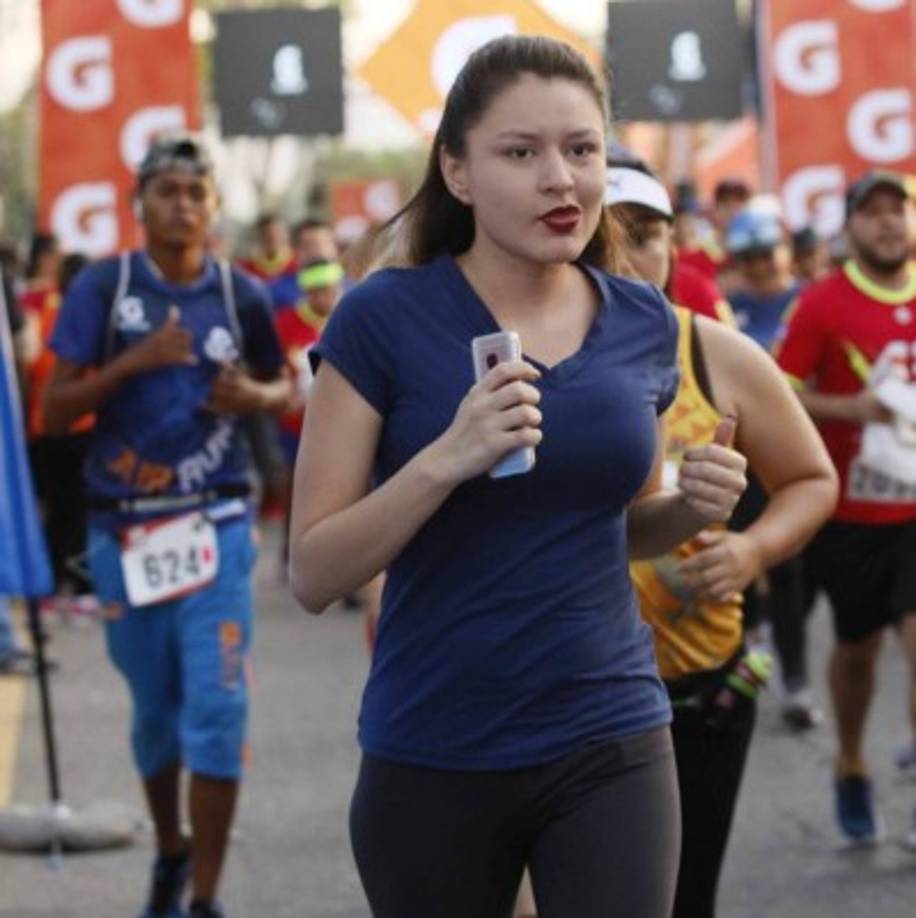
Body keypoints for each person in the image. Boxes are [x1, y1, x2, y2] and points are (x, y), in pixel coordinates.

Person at [289, 36, 748, 918]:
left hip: (609, 733)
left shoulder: (643, 322)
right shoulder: (381, 318)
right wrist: (446, 459)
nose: (560, 179)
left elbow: (610, 527)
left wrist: (685, 506)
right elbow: (314, 571)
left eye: (582, 150)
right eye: (521, 152)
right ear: (458, 172)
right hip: (434, 749)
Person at [44, 134, 291, 918]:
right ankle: (170, 851)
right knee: (156, 720)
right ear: (138, 204)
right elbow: (51, 411)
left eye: (195, 192)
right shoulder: (104, 289)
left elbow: (280, 383)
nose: (181, 205)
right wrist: (133, 363)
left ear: (214, 206)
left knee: (217, 711)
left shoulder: (237, 294)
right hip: (125, 532)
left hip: (215, 522)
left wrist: (256, 399)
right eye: (166, 191)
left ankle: (206, 897)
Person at [606, 164, 837, 917]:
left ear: (675, 246)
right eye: (605, 238)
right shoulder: (517, 356)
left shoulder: (712, 352)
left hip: (697, 682)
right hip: (566, 687)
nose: (626, 258)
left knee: (680, 899)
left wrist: (753, 551)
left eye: (645, 238)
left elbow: (810, 478)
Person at [778, 169, 916, 842]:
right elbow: (781, 392)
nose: (889, 223)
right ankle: (851, 762)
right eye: (874, 213)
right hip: (851, 513)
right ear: (851, 226)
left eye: (900, 210)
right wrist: (852, 408)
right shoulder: (823, 305)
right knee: (856, 654)